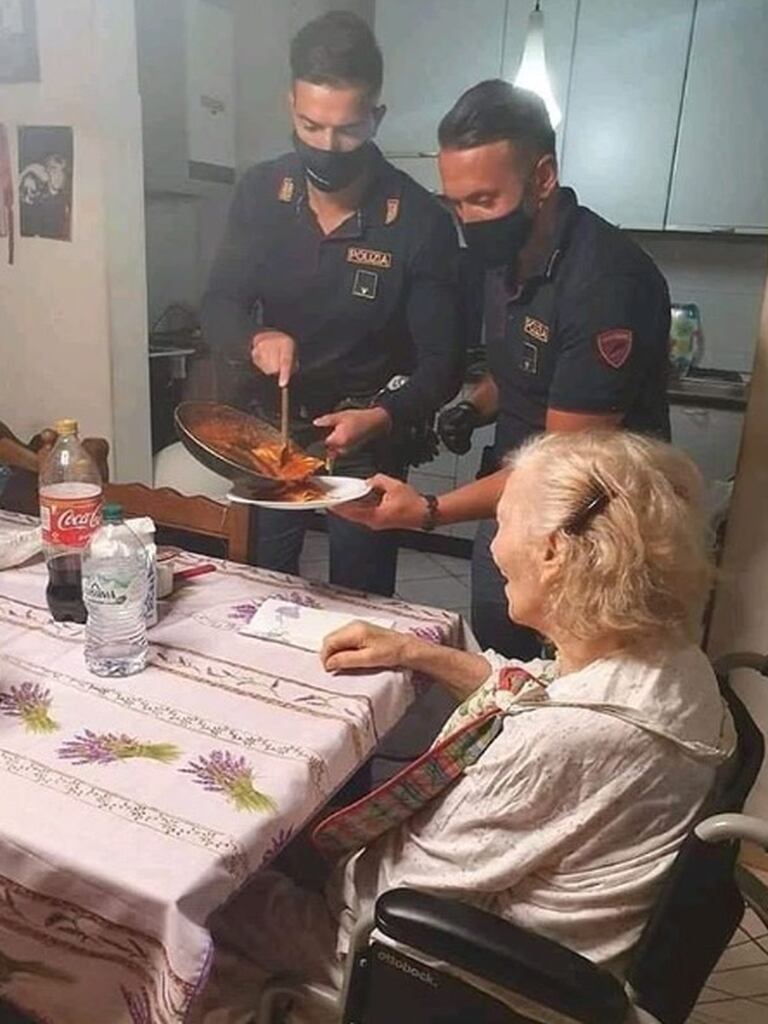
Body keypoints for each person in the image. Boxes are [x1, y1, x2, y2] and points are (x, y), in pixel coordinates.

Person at [194, 431, 733, 1023]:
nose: (494, 547)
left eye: (500, 524)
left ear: (553, 551)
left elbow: (387, 904)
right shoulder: (675, 662)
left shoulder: (565, 742)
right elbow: (541, 687)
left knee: (201, 904)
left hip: (455, 981)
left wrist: (247, 884)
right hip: (543, 939)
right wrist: (414, 652)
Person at [334, 80, 671, 655]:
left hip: (591, 527)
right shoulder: (502, 261)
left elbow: (567, 464)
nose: (468, 219)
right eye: (455, 203)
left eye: (484, 201)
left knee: (567, 683)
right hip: (512, 497)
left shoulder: (606, 285)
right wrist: (474, 405)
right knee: (498, 653)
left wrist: (430, 510)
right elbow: (520, 369)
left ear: (542, 178)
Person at [201, 11, 462, 596]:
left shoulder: (419, 222)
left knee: (360, 595)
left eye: (346, 130)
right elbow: (218, 302)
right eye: (310, 125)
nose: (327, 145)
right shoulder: (262, 192)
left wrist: (383, 416)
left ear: (377, 117)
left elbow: (442, 365)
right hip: (271, 427)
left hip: (367, 431)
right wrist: (254, 338)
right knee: (259, 582)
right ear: (290, 105)